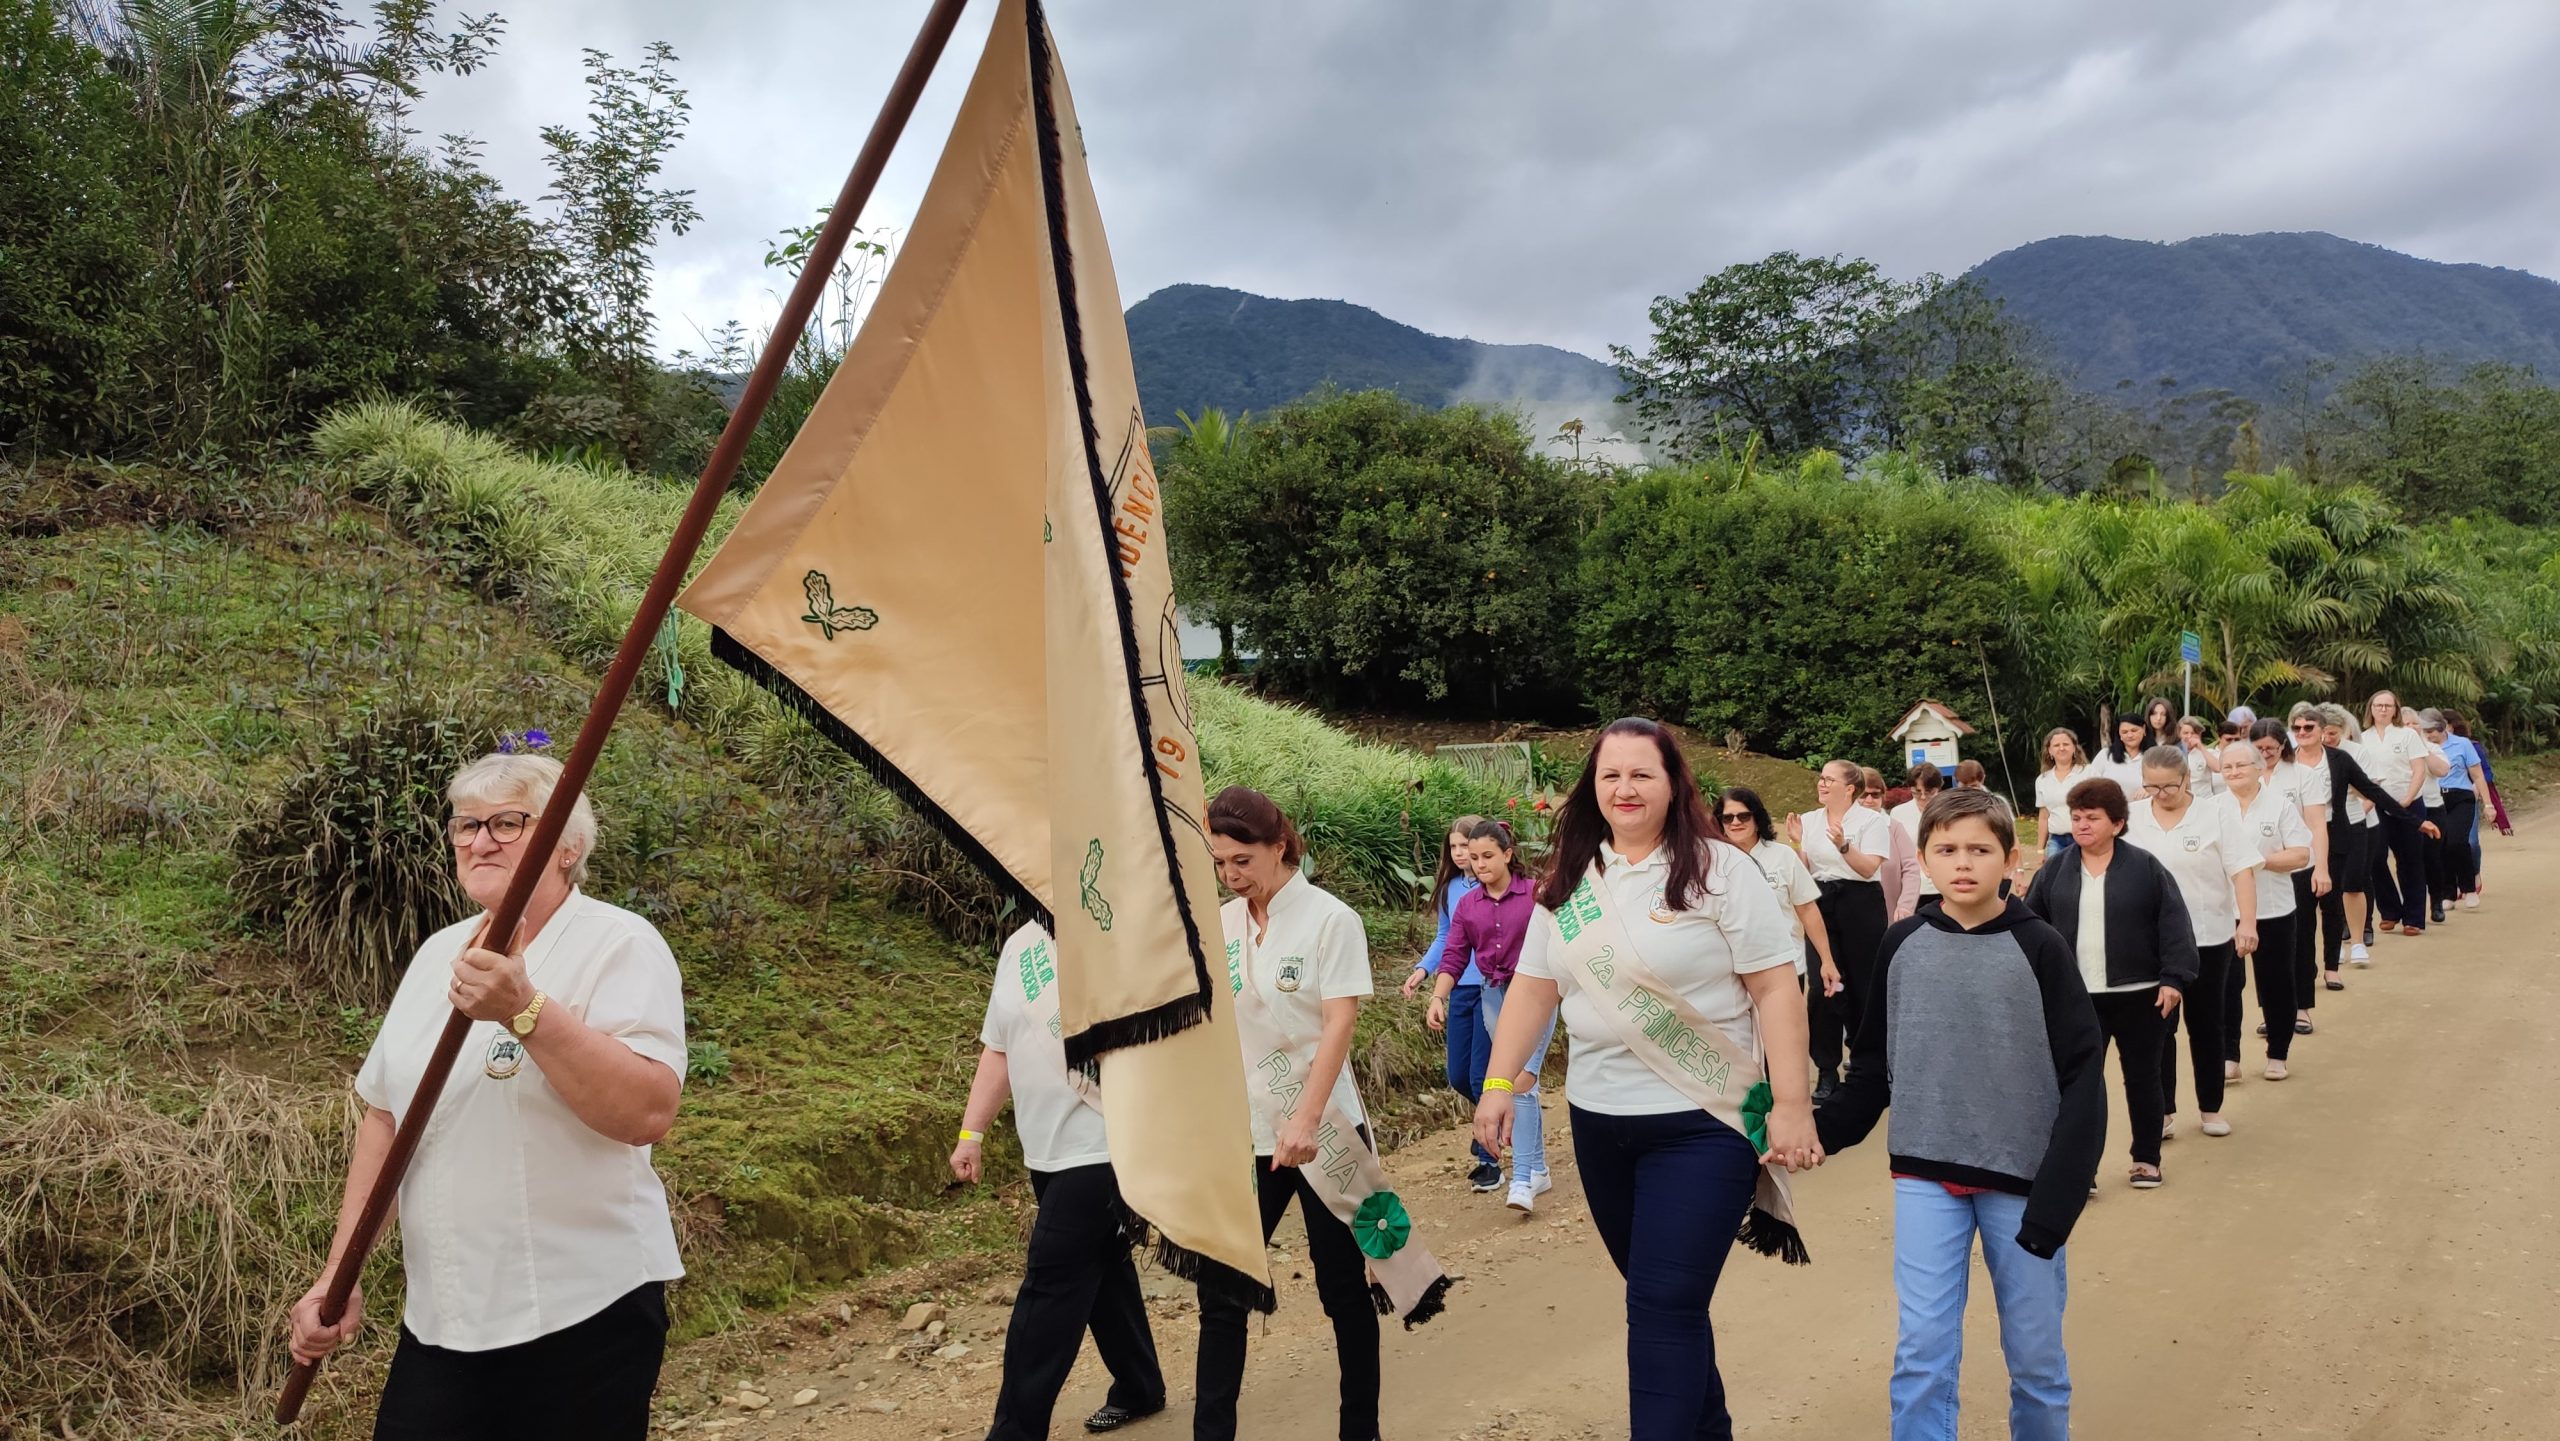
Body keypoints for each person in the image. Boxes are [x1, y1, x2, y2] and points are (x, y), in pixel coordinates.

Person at [288, 753, 686, 1438]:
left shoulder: (619, 944)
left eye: (507, 821)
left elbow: (647, 1111)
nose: (480, 840)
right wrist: (338, 1274)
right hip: (445, 1320)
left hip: (581, 1313)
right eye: (466, 825)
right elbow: (386, 1116)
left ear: (569, 845)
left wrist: (525, 1008)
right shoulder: (436, 955)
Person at [1474, 718, 1816, 1441]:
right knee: (1670, 1303)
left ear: (1673, 783)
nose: (1624, 788)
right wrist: (1499, 1085)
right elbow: (1534, 991)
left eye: (1641, 774)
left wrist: (1790, 1102)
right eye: (1610, 775)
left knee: (1662, 1306)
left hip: (1706, 1121)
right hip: (1601, 1126)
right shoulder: (1570, 880)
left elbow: (1776, 989)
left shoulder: (1723, 871)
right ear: (1591, 786)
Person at [1820, 789, 2105, 1441]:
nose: (1963, 862)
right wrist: (1816, 1131)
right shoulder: (1902, 944)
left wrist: (2055, 1204)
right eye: (1946, 849)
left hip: (2024, 1185)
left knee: (2035, 1359)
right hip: (1925, 1177)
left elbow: (2084, 1076)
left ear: (2011, 859)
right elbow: (1871, 1065)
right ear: (1922, 858)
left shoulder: (2040, 948)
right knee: (1922, 1353)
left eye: (1980, 848)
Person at [1200, 786, 1445, 1441]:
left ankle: (1359, 1428)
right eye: (1220, 862)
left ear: (1279, 845)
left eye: (1242, 860)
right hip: (1248, 1131)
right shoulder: (1221, 923)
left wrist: (1306, 1120)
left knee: (1341, 1288)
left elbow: (1340, 1022)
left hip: (1322, 1130)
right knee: (1224, 1288)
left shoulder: (1331, 919)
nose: (1231, 875)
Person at [957, 925, 1166, 1439]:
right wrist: (971, 1132)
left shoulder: (1117, 934)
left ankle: (1014, 1431)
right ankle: (1139, 1385)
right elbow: (998, 1047)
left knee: (1050, 1284)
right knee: (1104, 1271)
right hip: (1045, 1151)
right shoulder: (1020, 946)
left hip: (1105, 1147)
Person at [2023, 779, 2196, 1189]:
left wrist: (2174, 979)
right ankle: (2083, 1171)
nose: (2082, 825)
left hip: (2141, 994)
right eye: (2077, 817)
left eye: (2092, 818)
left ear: (2117, 823)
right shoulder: (2055, 869)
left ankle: (2146, 1159)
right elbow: (2031, 927)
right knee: (2080, 1087)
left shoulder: (2146, 868)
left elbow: (2174, 925)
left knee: (2143, 1078)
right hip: (2078, 997)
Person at [2127, 746, 2258, 1140]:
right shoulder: (2133, 818)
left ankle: (2210, 1107)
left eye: (2168, 785)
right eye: (2151, 786)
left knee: (2206, 1024)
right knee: (2158, 1029)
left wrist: (2247, 922)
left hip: (2208, 936)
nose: (2160, 793)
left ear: (2187, 779)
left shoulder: (2217, 813)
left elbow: (2242, 871)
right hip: (2151, 943)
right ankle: (2163, 1111)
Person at [1428, 818, 1554, 1211]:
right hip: (1493, 998)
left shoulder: (1535, 895)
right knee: (1511, 1081)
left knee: (1520, 1080)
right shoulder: (1467, 904)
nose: (1479, 863)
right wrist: (1437, 996)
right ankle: (1539, 1169)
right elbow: (1454, 955)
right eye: (1474, 856)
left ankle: (1521, 1180)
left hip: (1534, 994)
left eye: (1487, 856)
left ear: (1507, 855)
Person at [1789, 759, 1896, 1104]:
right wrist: (1797, 845)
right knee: (1823, 989)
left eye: (1829, 780)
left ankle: (1868, 1062)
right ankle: (1825, 1069)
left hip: (1861, 903)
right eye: (1820, 779)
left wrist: (1843, 845)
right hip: (1820, 901)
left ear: (1850, 788)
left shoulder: (1872, 820)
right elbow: (1804, 871)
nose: (1821, 784)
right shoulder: (1808, 820)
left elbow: (1868, 870)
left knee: (1864, 985)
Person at [1404, 817, 1498, 1190]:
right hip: (1459, 988)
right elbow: (1446, 937)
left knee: (1480, 1076)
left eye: (1467, 847)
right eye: (1455, 848)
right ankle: (1500, 1121)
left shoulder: (1496, 886)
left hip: (1494, 988)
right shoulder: (1451, 890)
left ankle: (1491, 1157)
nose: (1461, 855)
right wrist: (1423, 971)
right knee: (1458, 1076)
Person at [2217, 745, 2312, 1081]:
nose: (2233, 771)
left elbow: (2302, 855)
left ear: (2259, 767)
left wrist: (2257, 861)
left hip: (2274, 908)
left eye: (2241, 765)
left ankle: (2277, 1052)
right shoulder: (2212, 808)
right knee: (2227, 985)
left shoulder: (2281, 806)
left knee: (2276, 983)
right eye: (2226, 767)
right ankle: (2229, 1055)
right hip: (2224, 910)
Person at [1719, 785, 1843, 1001]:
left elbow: (1807, 909)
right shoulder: (1713, 861)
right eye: (1728, 818)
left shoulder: (1782, 856)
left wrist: (1826, 960)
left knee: (1785, 1033)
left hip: (1784, 965)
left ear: (1757, 818)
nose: (1736, 823)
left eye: (1744, 816)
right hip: (1732, 971)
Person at [2249, 718, 2329, 1037]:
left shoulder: (2303, 776)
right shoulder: (2245, 776)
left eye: (2271, 748)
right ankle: (2271, 1011)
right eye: (2259, 749)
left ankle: (2301, 1008)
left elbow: (2317, 825)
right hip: (2255, 871)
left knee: (2299, 939)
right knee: (2262, 945)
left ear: (2284, 745)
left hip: (2297, 867)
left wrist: (2320, 867)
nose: (2265, 754)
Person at [2361, 690, 2433, 936]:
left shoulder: (2407, 736)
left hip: (2408, 802)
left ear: (2396, 710)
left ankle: (2413, 918)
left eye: (2388, 706)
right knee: (2375, 857)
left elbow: (2419, 770)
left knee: (2410, 860)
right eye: (2378, 705)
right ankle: (2390, 910)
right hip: (2376, 805)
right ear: (2371, 709)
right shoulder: (2362, 739)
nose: (2382, 709)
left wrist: (2407, 800)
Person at [2433, 710, 2488, 909]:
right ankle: (2448, 892)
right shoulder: (2422, 746)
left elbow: (2479, 775)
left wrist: (2489, 804)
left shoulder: (2462, 744)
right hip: (2435, 799)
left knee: (2458, 841)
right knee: (2442, 845)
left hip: (2461, 797)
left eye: (2433, 730)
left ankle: (2469, 888)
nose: (2429, 734)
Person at [2413, 710, 2457, 925]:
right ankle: (2413, 909)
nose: (2409, 727)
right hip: (2405, 811)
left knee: (2432, 858)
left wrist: (2420, 748)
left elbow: (2441, 771)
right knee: (2411, 861)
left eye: (2414, 724)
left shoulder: (2431, 747)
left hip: (2432, 808)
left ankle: (2437, 901)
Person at [1888, 765, 1945, 912]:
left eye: (1929, 792)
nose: (1924, 797)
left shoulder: (1949, 811)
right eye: (1917, 792)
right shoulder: (1898, 813)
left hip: (1944, 884)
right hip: (1913, 887)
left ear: (1938, 788)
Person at [2033, 729, 2088, 863]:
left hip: (2083, 838)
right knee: (2055, 879)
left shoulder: (2088, 773)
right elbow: (2044, 816)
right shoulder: (2042, 780)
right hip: (2056, 841)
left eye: (2066, 744)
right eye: (2056, 745)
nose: (2061, 748)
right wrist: (2040, 849)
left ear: (2074, 748)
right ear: (2050, 751)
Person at [2087, 714, 2155, 803]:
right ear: (2119, 735)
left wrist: (2150, 788)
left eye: (2134, 730)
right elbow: (2089, 783)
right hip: (2109, 811)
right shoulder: (2106, 755)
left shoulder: (2156, 756)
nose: (2130, 735)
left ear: (2144, 729)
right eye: (2125, 732)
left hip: (2144, 811)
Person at [2177, 716, 2222, 796]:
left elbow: (2218, 768)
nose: (2189, 736)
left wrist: (2201, 747)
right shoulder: (2173, 753)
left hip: (2205, 799)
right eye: (2185, 733)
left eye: (2193, 733)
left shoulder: (2206, 752)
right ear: (2179, 734)